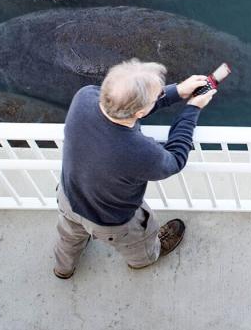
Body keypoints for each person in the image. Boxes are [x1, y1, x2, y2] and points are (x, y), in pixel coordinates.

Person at [52, 59, 215, 278]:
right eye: (155, 97)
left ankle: (63, 268)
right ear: (140, 112)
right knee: (139, 244)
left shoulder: (84, 97)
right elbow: (175, 160)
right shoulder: (139, 151)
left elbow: (124, 105)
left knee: (69, 237)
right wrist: (192, 109)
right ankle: (143, 260)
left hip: (68, 198)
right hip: (111, 222)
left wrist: (177, 91)